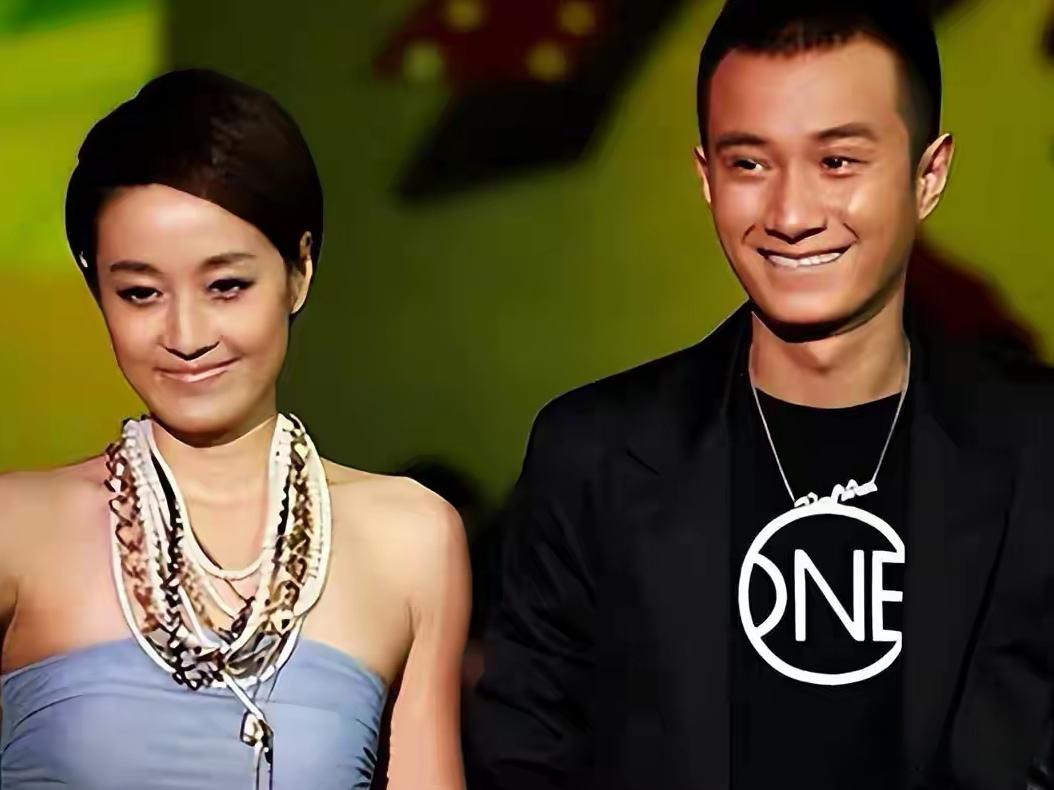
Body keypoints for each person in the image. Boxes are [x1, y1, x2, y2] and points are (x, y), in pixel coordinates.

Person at [467, 1, 1054, 788]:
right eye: (749, 164)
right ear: (706, 177)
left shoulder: (1037, 453)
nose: (791, 215)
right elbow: (527, 755)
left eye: (837, 162)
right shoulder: (594, 458)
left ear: (928, 176)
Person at [0, 69, 470, 790]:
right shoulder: (17, 529)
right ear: (98, 291)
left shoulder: (410, 539)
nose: (187, 335)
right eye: (140, 293)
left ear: (300, 270)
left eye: (226, 286)